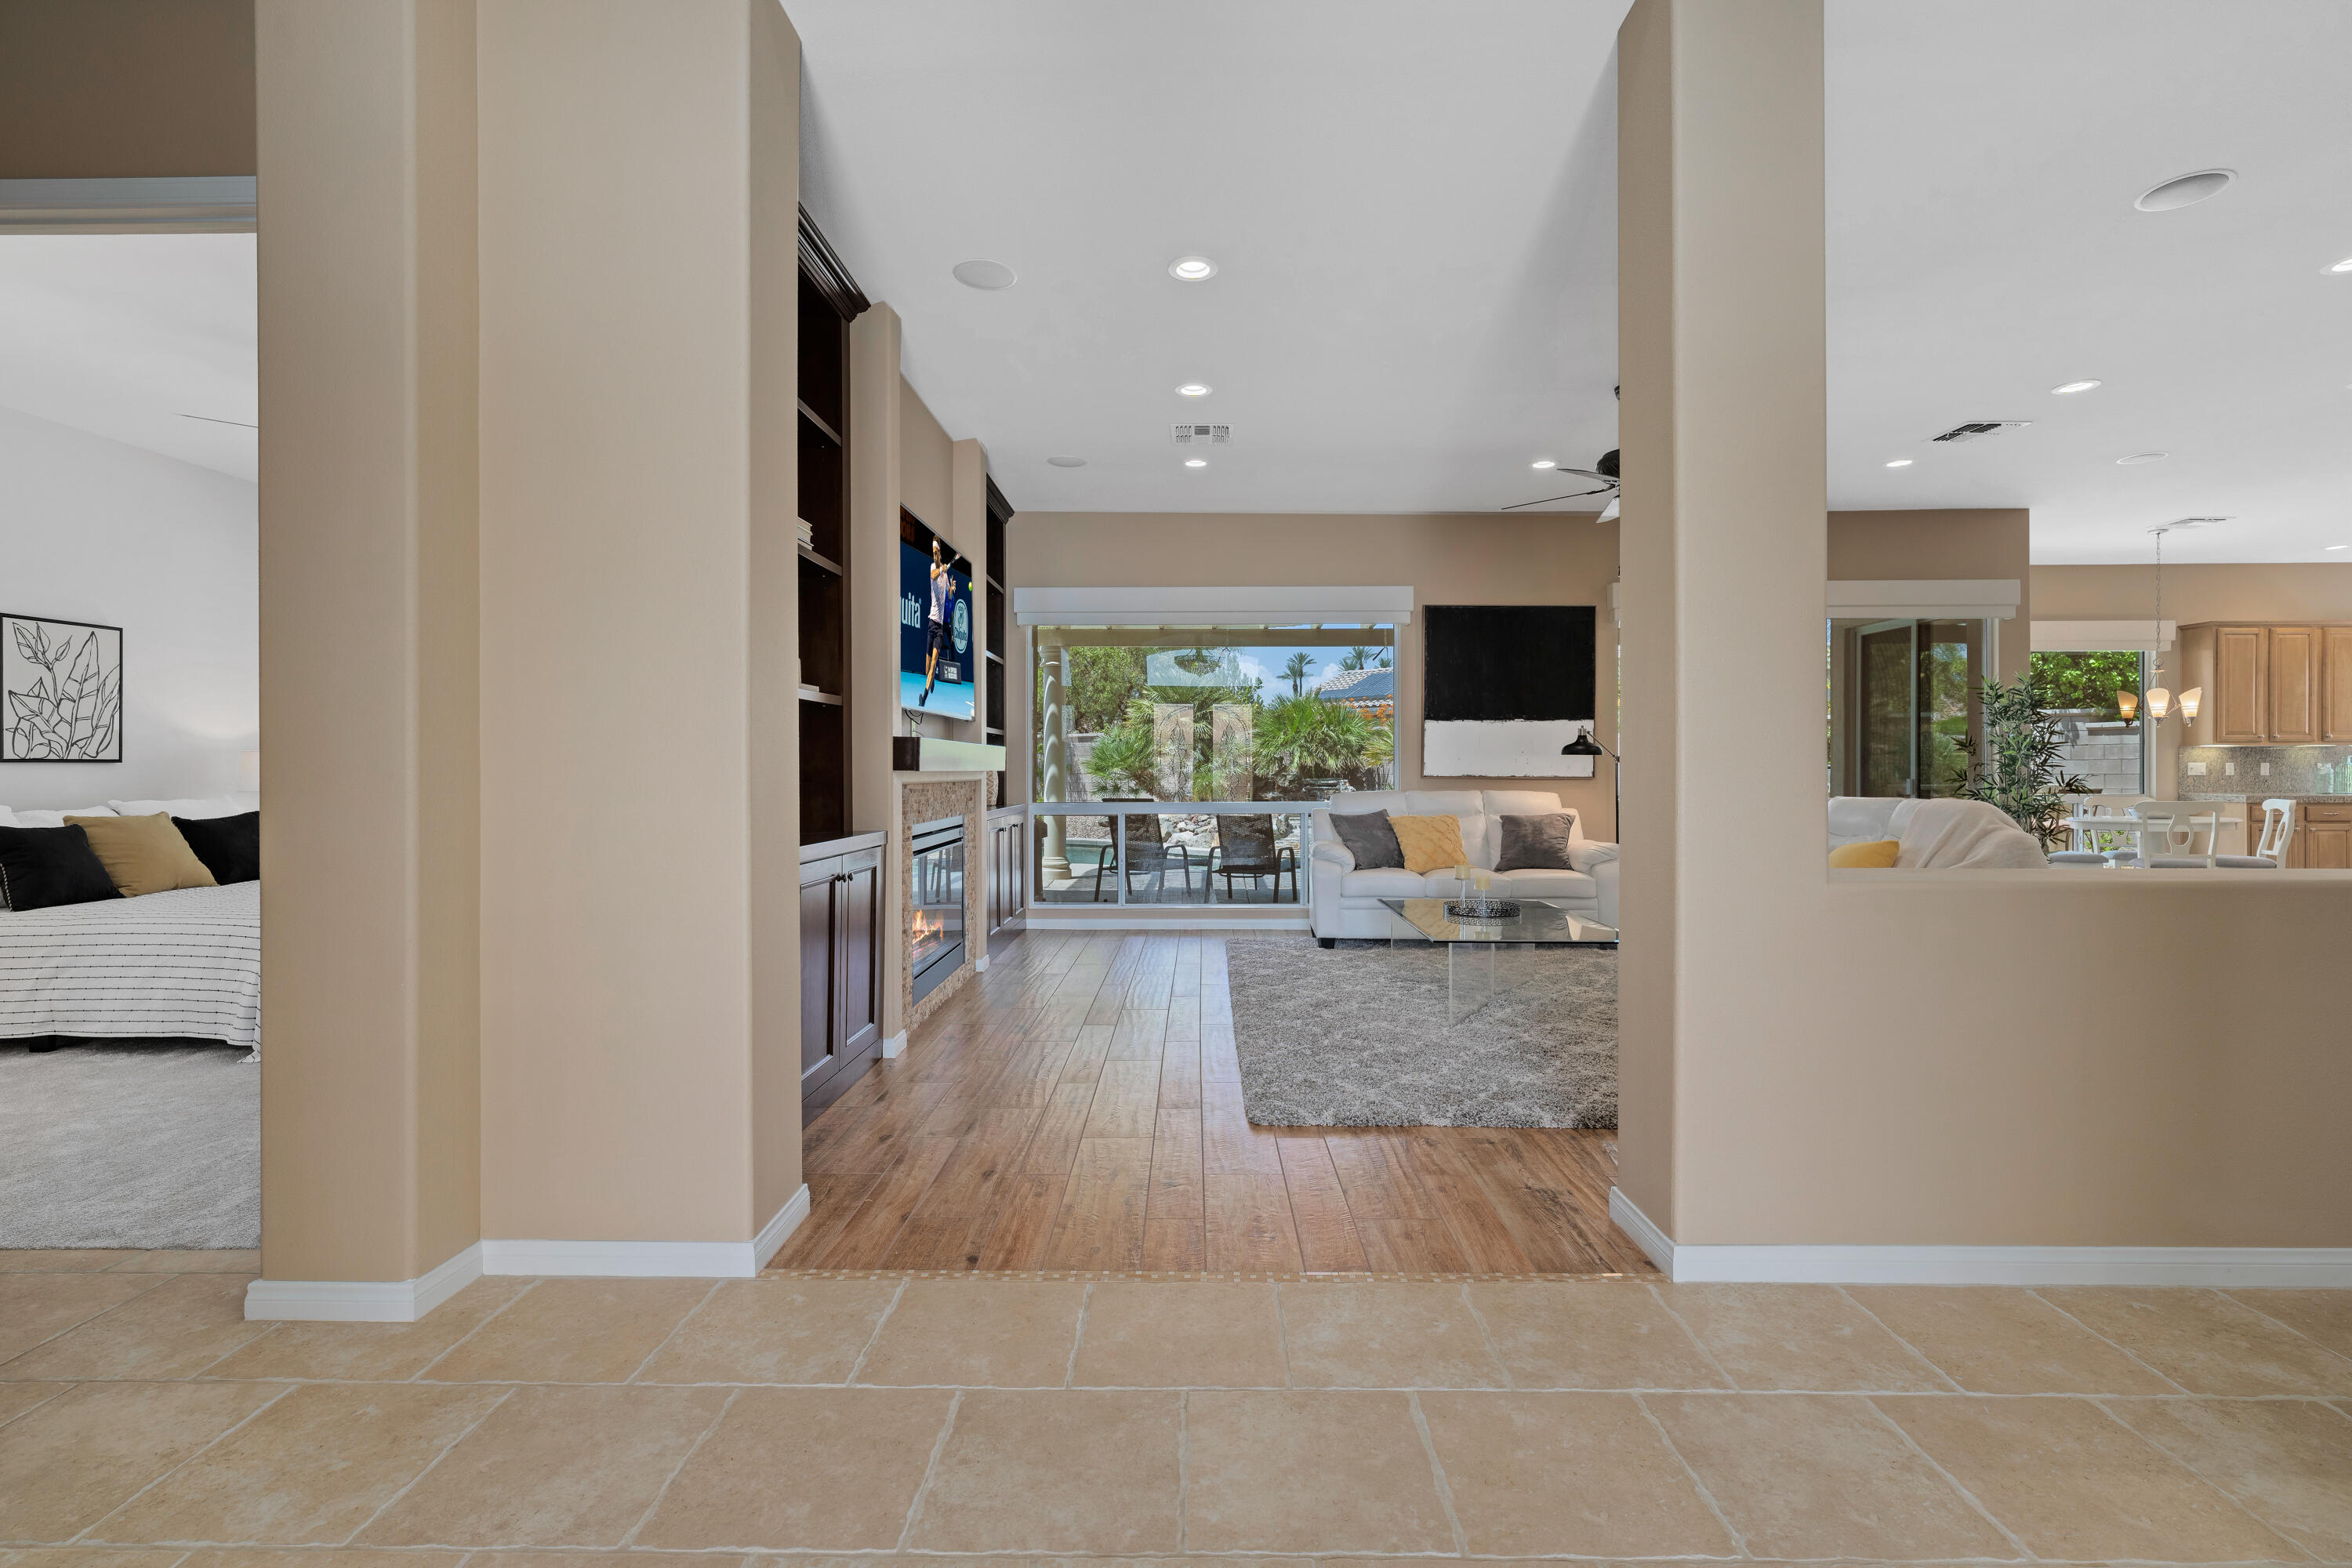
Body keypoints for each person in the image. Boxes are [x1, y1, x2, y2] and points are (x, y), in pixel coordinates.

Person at [921, 539, 953, 705]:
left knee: (934, 663)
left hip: (940, 627)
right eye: (932, 554)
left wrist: (951, 590)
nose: (934, 557)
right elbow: (934, 577)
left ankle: (923, 699)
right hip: (931, 624)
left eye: (936, 554)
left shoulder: (945, 573)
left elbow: (948, 595)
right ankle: (930, 679)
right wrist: (942, 568)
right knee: (927, 668)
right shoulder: (934, 568)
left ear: (939, 553)